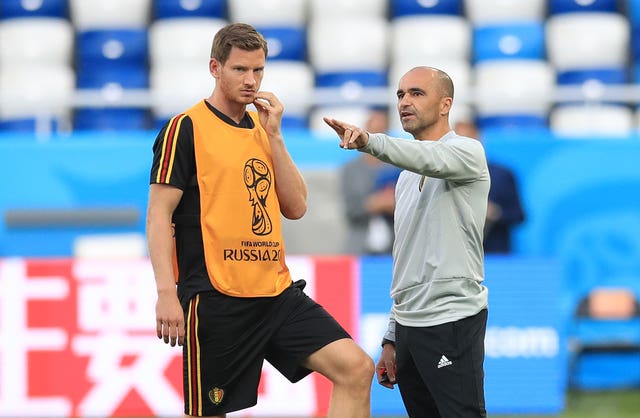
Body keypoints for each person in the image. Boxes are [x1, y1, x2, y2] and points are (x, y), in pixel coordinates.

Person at [146, 23, 373, 418]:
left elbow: (297, 206)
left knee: (356, 368)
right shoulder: (185, 128)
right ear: (215, 68)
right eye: (240, 70)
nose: (251, 81)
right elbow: (158, 214)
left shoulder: (263, 129)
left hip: (275, 294)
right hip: (216, 296)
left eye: (258, 71)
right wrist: (167, 292)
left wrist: (276, 137)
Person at [324, 66, 490, 417]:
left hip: (451, 320)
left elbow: (429, 157)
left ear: (446, 105)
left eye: (416, 93)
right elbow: (406, 261)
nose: (404, 102)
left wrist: (370, 141)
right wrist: (392, 335)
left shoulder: (466, 151)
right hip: (410, 328)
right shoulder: (403, 180)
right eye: (400, 94)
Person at [454, 120, 525, 254]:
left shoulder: (502, 174)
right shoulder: (442, 177)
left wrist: (495, 213)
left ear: (478, 138)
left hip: (495, 255)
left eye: (467, 140)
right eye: (458, 142)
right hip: (458, 256)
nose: (463, 148)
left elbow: (519, 215)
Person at [340, 108, 400, 254]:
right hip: (359, 244)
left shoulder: (398, 168)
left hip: (394, 245)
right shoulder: (350, 170)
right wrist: (373, 204)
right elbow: (350, 210)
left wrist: (394, 204)